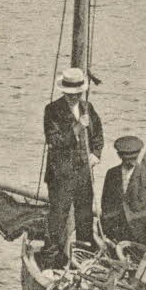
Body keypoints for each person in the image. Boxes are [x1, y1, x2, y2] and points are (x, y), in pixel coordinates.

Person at [41, 67, 103, 268]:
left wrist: (96, 154)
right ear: (64, 92)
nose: (74, 97)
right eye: (70, 94)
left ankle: (83, 258)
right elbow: (54, 141)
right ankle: (52, 262)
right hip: (61, 175)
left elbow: (98, 135)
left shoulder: (88, 108)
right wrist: (77, 128)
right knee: (58, 218)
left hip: (83, 173)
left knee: (84, 216)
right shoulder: (52, 111)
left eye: (77, 94)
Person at [100, 135, 146, 246]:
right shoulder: (111, 174)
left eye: (134, 158)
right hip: (115, 235)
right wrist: (108, 227)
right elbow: (105, 204)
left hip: (141, 236)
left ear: (138, 155)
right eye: (127, 158)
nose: (131, 162)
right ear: (119, 155)